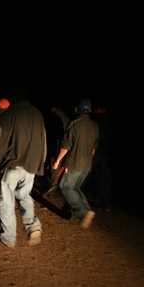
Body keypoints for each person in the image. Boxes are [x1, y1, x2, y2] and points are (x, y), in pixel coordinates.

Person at [0, 94, 47, 248]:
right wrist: (41, 162)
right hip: (31, 165)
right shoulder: (37, 114)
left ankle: (9, 237)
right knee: (24, 194)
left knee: (6, 200)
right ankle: (33, 226)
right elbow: (43, 138)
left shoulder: (8, 115)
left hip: (13, 165)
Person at [52, 98, 99, 229]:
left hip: (74, 163)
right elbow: (94, 150)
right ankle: (86, 211)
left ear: (78, 110)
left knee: (65, 186)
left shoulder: (74, 124)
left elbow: (65, 147)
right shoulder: (95, 126)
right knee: (75, 188)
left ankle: (83, 213)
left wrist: (57, 161)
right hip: (87, 165)